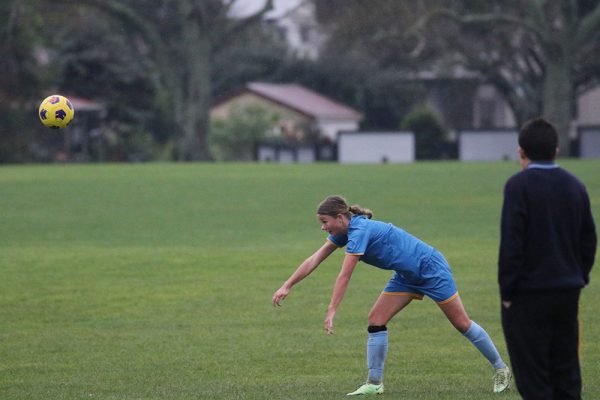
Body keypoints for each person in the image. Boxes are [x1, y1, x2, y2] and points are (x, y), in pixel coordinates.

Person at [272, 195, 511, 396]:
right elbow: (315, 258)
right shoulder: (343, 232)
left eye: (325, 222)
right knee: (376, 319)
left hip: (430, 268)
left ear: (340, 217)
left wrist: (332, 310)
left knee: (461, 323)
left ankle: (501, 369)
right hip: (407, 275)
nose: (323, 227)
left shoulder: (359, 231)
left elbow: (345, 276)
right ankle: (375, 384)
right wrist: (287, 284)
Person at [498, 118, 597, 400]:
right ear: (557, 149)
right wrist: (579, 276)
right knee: (566, 377)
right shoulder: (575, 185)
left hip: (528, 295)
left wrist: (507, 292)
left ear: (521, 152)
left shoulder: (518, 186)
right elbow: (589, 239)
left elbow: (512, 244)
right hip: (567, 293)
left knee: (534, 379)